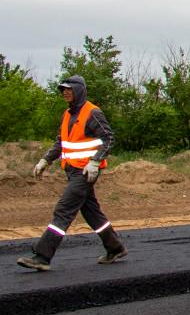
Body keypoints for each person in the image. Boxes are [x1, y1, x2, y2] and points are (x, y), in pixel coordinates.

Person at [17, 75, 127, 271]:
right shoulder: (68, 114)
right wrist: (46, 159)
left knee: (63, 210)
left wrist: (95, 162)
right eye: (62, 89)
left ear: (79, 90)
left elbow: (108, 138)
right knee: (91, 213)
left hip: (85, 172)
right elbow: (61, 142)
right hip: (72, 170)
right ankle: (115, 247)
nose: (65, 92)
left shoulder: (92, 113)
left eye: (69, 89)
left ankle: (42, 256)